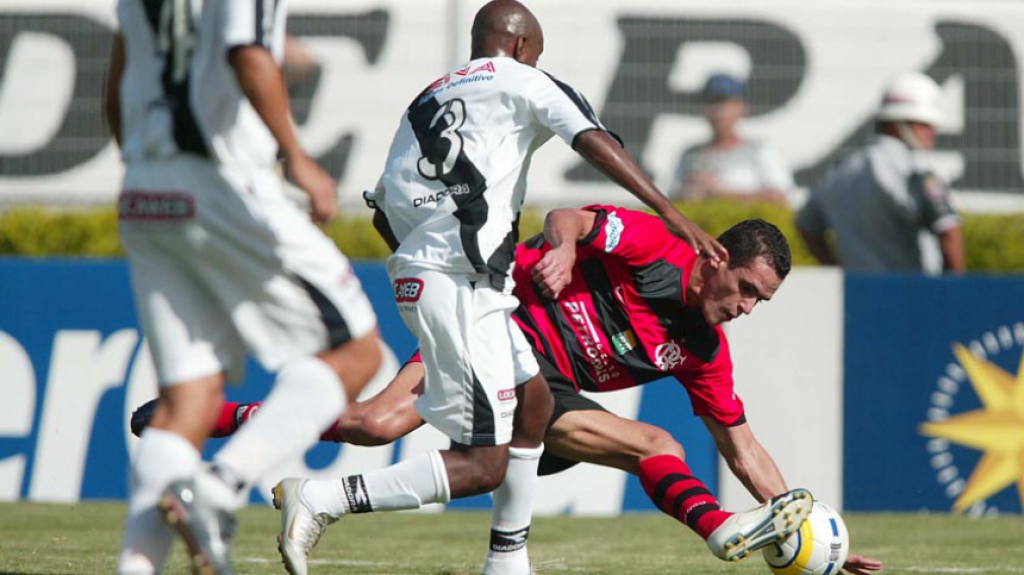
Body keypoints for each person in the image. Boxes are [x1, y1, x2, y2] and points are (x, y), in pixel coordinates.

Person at [132, 209, 884, 572]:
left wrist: (806, 522)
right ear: (716, 257)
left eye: (761, 303)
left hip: (544, 390)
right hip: (485, 323)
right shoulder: (655, 244)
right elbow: (572, 216)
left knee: (650, 442)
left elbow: (742, 444)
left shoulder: (703, 348)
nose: (746, 308)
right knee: (373, 423)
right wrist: (560, 248)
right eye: (746, 289)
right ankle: (210, 419)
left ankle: (724, 525)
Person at [105, 1, 383, 573]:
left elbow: (120, 78)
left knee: (189, 400)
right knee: (356, 354)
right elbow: (246, 50)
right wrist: (299, 157)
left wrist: (145, 167)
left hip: (144, 190)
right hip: (224, 186)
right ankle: (220, 487)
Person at [796, 72, 966, 275]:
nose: (933, 132)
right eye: (924, 123)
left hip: (856, 298)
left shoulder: (839, 172)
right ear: (897, 121)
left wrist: (837, 272)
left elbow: (806, 225)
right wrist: (953, 295)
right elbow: (949, 234)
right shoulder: (915, 171)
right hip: (914, 297)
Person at [668, 73, 794, 204]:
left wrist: (720, 192)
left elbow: (779, 198)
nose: (718, 110)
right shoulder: (690, 155)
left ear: (742, 107)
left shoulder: (759, 151)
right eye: (711, 102)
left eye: (724, 102)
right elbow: (670, 199)